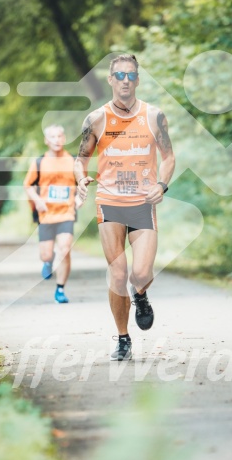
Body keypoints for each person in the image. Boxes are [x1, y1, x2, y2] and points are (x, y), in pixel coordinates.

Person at [75, 54, 175, 361]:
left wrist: (162, 184)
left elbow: (169, 157)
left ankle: (140, 295)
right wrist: (80, 179)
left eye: (131, 75)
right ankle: (122, 338)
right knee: (117, 274)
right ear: (110, 80)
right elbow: (80, 158)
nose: (125, 81)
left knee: (140, 274)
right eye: (119, 76)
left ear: (138, 79)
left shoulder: (154, 115)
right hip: (109, 202)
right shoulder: (95, 120)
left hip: (143, 203)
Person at [24, 124, 78, 304]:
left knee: (65, 248)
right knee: (46, 255)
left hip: (66, 213)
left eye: (60, 136)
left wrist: (80, 198)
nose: (57, 140)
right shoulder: (40, 162)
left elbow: (81, 183)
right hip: (46, 214)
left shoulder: (73, 161)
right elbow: (28, 185)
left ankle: (60, 289)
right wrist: (37, 200)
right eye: (53, 137)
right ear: (46, 141)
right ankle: (48, 261)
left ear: (64, 138)